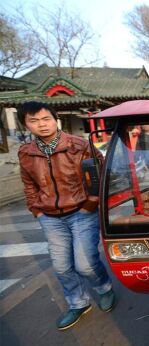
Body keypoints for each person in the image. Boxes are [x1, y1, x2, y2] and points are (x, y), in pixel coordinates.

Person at [17, 101, 115, 330]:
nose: (41, 125)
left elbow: (100, 179)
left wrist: (90, 205)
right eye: (34, 121)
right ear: (26, 125)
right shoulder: (26, 152)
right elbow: (29, 185)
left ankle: (104, 288)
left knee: (85, 264)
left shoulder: (80, 146)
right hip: (49, 216)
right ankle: (78, 303)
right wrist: (37, 210)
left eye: (45, 119)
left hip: (82, 212)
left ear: (55, 119)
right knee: (61, 266)